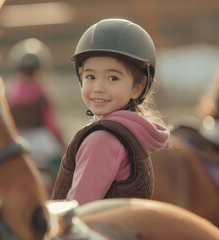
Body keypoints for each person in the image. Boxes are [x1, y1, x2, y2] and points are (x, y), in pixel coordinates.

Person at [52, 18, 170, 205]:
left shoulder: (102, 139)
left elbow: (78, 208)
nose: (98, 87)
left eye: (113, 78)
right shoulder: (130, 132)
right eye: (90, 76)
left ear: (138, 88)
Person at [5, 38, 65, 195]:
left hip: (17, 139)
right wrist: (63, 144)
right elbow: (51, 123)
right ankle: (60, 190)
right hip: (41, 141)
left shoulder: (10, 90)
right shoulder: (41, 90)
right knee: (61, 166)